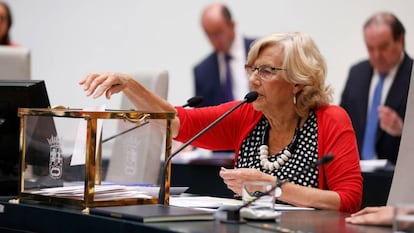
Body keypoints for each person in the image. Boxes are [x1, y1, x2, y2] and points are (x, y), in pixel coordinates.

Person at [79, 32, 363, 212]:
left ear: (299, 82)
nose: (253, 79)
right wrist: (128, 85)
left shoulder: (330, 120)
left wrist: (274, 187)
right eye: (252, 69)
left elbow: (348, 200)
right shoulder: (248, 115)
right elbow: (178, 122)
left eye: (266, 71)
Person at [340, 12, 413, 165]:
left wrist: (403, 131)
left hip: (398, 177)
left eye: (383, 47)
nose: (377, 55)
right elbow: (343, 122)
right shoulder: (357, 73)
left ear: (400, 40)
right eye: (370, 48)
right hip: (356, 172)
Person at [194, 3, 254, 107]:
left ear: (232, 25)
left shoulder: (261, 50)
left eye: (218, 33)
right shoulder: (202, 71)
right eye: (209, 35)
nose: (214, 40)